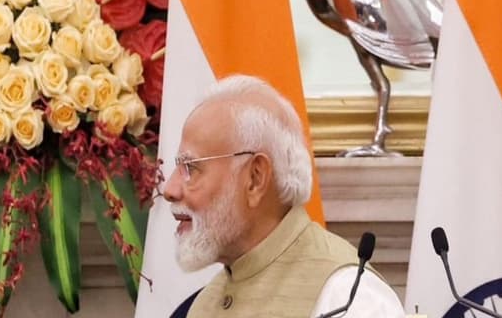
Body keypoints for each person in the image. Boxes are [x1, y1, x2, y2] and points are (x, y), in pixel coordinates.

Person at [165, 74, 405, 318]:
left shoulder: (349, 297)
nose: (169, 189)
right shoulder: (198, 306)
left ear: (256, 178)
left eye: (191, 167)